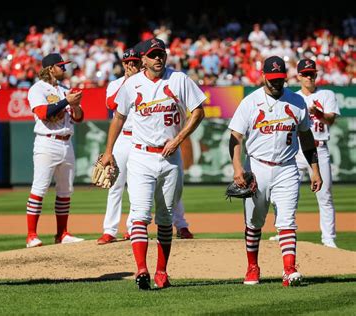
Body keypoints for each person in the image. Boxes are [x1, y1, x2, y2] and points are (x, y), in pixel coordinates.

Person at [100, 38, 206, 289]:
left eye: (161, 54)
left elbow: (199, 111)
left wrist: (179, 139)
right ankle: (141, 269)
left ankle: (161, 271)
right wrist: (108, 152)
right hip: (140, 156)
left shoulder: (179, 80)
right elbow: (118, 117)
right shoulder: (132, 84)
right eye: (153, 55)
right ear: (143, 60)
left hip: (170, 158)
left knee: (166, 217)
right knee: (139, 215)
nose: (158, 58)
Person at [228, 56, 322, 287]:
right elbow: (235, 137)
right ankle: (252, 267)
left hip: (287, 168)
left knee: (287, 221)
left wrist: (315, 170)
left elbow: (307, 138)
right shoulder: (250, 102)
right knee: (254, 222)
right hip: (257, 167)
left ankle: (289, 270)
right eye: (272, 79)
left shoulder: (297, 102)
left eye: (280, 79)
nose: (276, 83)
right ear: (263, 76)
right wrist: (238, 168)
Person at [98, 45, 194, 245]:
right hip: (125, 139)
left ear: (141, 61)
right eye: (127, 62)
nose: (130, 64)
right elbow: (112, 105)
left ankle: (179, 224)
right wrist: (127, 80)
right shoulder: (120, 84)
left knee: (169, 187)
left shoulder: (160, 80)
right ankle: (110, 230)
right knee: (116, 184)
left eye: (134, 61)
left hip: (151, 140)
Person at [25, 53, 84, 248]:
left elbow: (79, 118)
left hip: (66, 142)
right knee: (39, 188)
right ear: (51, 69)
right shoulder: (37, 89)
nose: (64, 69)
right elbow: (43, 113)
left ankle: (62, 234)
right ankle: (31, 236)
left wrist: (74, 105)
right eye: (61, 66)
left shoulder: (65, 89)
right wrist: (67, 101)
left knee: (65, 190)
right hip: (46, 142)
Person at [295, 58, 340, 248]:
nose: (309, 77)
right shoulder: (293, 97)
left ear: (316, 75)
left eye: (311, 73)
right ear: (299, 76)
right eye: (305, 74)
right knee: (287, 193)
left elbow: (331, 121)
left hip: (319, 148)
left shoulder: (326, 94)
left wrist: (319, 114)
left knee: (325, 195)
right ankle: (284, 232)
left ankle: (328, 239)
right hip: (296, 151)